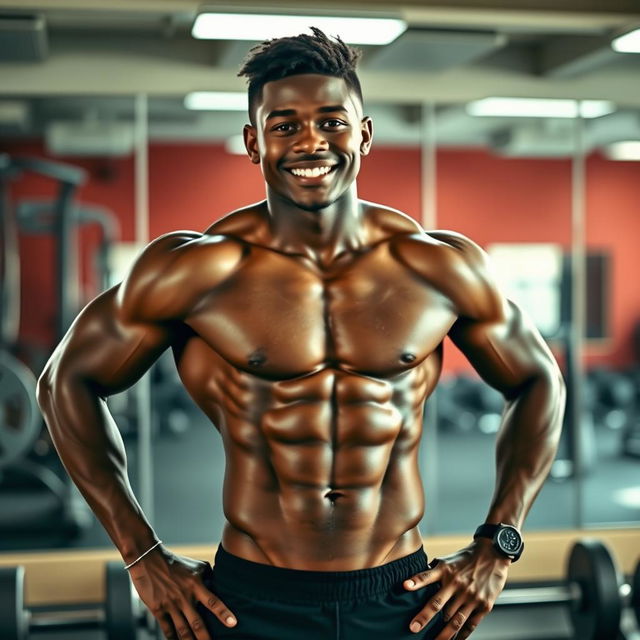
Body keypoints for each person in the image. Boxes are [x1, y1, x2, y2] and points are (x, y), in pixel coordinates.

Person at [36, 27, 566, 640]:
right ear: (252, 141)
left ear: (364, 133)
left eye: (332, 121)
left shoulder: (437, 266)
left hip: (403, 595)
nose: (310, 141)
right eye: (283, 125)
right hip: (248, 600)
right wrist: (141, 554)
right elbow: (63, 383)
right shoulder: (195, 270)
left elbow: (537, 379)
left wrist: (499, 544)